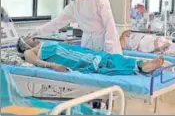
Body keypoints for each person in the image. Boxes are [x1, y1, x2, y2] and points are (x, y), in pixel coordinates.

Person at [27, 0, 121, 54]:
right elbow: (56, 23)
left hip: (104, 39)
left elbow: (109, 23)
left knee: (109, 67)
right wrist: (36, 32)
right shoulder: (73, 6)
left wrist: (109, 44)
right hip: (87, 41)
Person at [16, 36, 164, 75]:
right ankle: (138, 66)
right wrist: (54, 66)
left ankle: (139, 64)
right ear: (24, 45)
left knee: (104, 56)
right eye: (29, 38)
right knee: (97, 61)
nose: (33, 38)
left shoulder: (43, 43)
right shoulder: (29, 51)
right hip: (65, 58)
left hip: (72, 51)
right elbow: (37, 63)